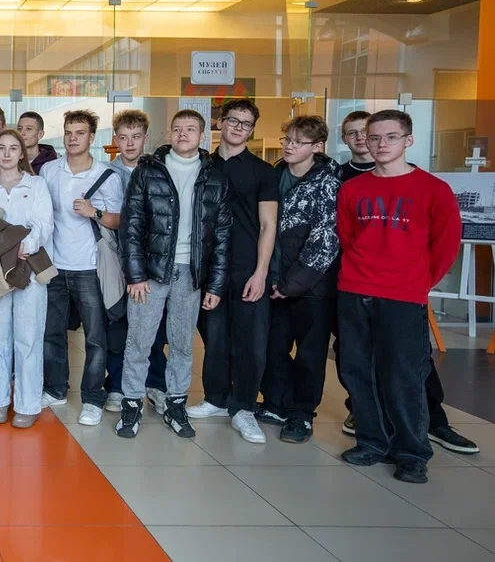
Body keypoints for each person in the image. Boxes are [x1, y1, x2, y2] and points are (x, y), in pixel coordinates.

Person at [334, 111, 478, 455]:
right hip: (354, 290)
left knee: (404, 375)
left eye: (391, 137)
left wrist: (418, 283)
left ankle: (411, 452)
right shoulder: (353, 188)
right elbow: (348, 238)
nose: (381, 144)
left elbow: (445, 246)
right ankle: (371, 442)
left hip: (403, 294)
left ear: (408, 140)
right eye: (374, 137)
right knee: (357, 372)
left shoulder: (434, 190)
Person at [116, 110, 230, 440]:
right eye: (177, 128)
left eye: (190, 129)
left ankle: (176, 403)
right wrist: (135, 275)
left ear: (202, 136)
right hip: (150, 273)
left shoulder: (215, 176)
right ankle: (131, 404)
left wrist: (215, 284)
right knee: (139, 341)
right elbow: (131, 225)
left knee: (182, 344)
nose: (183, 134)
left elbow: (222, 235)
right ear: (170, 133)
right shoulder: (149, 171)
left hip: (190, 274)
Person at [190, 99, 277, 446]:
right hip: (208, 267)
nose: (238, 127)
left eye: (246, 123)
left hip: (246, 266)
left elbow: (268, 225)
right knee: (214, 337)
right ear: (220, 123)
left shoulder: (263, 171)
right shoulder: (201, 166)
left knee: (250, 341)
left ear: (252, 130)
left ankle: (243, 407)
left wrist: (261, 272)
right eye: (233, 120)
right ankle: (215, 398)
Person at [260, 115, 341, 445]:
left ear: (317, 146)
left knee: (310, 353)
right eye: (288, 140)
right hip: (273, 280)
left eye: (298, 142)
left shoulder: (328, 182)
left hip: (310, 286)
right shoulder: (275, 174)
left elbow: (325, 239)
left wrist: (291, 284)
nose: (290, 146)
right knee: (272, 347)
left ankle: (302, 413)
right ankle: (277, 403)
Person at [40, 110, 122, 427]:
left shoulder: (106, 175)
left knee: (96, 337)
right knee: (52, 333)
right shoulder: (49, 170)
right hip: (54, 266)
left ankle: (92, 399)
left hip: (89, 267)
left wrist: (94, 212)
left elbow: (118, 220)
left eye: (80, 132)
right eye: (69, 132)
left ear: (92, 137)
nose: (73, 138)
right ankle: (56, 389)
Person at [0, 129, 54, 428]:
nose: (7, 153)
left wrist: (26, 244)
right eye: (2, 147)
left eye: (13, 148)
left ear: (22, 153)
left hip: (29, 268)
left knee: (28, 337)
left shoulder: (36, 185)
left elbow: (43, 223)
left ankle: (27, 404)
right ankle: (0, 401)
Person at [104, 110, 166, 413]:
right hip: (116, 259)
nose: (130, 143)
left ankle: (155, 384)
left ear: (145, 138)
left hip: (151, 261)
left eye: (136, 137)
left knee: (151, 327)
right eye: (124, 137)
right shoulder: (106, 173)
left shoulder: (159, 171)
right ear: (115, 139)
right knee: (118, 325)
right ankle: (117, 386)